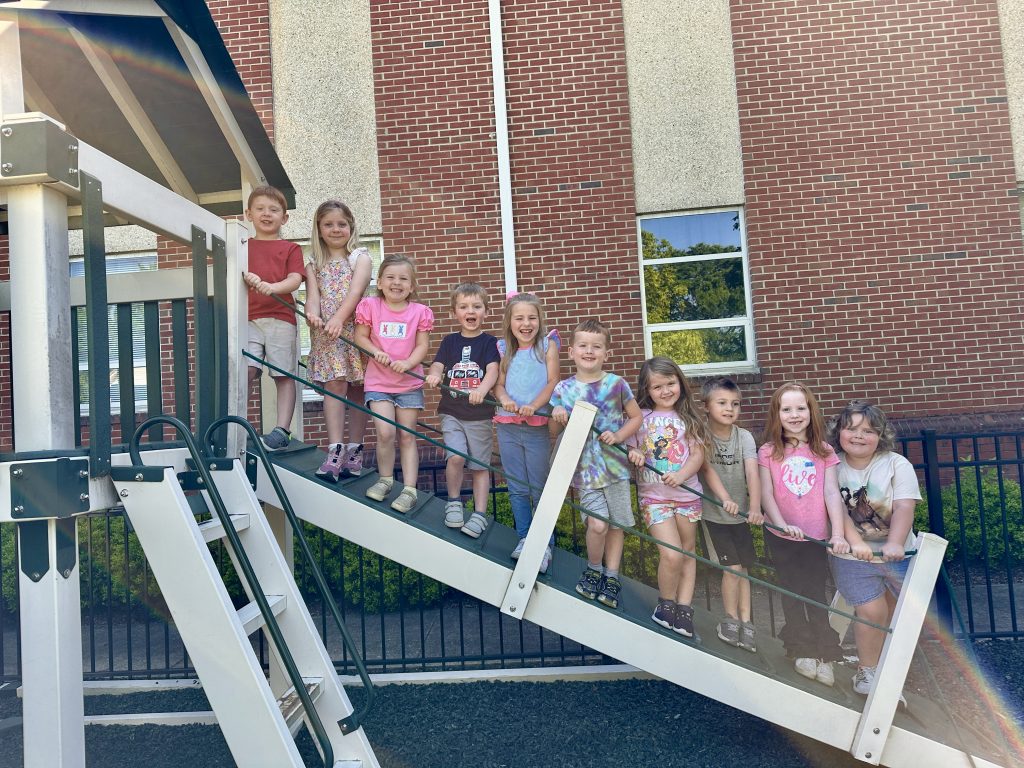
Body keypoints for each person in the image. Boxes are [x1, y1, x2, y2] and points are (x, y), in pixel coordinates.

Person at [627, 357, 738, 636]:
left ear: (680, 383)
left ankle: (684, 608)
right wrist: (637, 453)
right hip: (654, 498)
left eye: (670, 383)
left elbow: (699, 456)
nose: (665, 391)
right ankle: (666, 603)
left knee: (688, 553)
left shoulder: (689, 419)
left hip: (687, 498)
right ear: (647, 389)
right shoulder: (641, 418)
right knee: (672, 554)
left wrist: (682, 474)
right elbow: (631, 448)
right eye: (657, 386)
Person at [758, 382, 851, 686]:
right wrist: (780, 523)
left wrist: (837, 533)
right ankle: (801, 650)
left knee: (814, 592)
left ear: (811, 412)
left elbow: (832, 493)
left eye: (801, 408)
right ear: (777, 414)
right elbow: (767, 493)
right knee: (791, 592)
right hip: (781, 535)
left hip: (814, 536)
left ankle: (825, 654)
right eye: (787, 409)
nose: (794, 415)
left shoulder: (823, 451)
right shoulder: (769, 451)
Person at [828, 401, 919, 701]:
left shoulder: (895, 464)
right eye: (851, 428)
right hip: (853, 556)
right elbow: (837, 509)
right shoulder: (832, 465)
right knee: (871, 610)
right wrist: (856, 543)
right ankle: (867, 671)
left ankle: (886, 673)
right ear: (839, 431)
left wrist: (895, 542)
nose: (858, 436)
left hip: (897, 555)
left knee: (893, 614)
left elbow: (905, 504)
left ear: (880, 436)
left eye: (868, 431)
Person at [551, 319, 642, 611]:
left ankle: (611, 577)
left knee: (616, 525)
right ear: (572, 352)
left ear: (606, 353)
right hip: (585, 470)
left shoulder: (616, 384)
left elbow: (636, 417)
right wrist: (558, 412)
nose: (589, 351)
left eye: (596, 347)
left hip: (614, 468)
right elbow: (554, 432)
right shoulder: (563, 389)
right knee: (598, 524)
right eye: (583, 346)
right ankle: (593, 569)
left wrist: (619, 436)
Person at [354, 256, 433, 513]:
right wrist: (376, 352)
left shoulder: (419, 312)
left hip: (409, 384)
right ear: (380, 281)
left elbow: (422, 345)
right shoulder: (371, 306)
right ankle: (386, 480)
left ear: (412, 286)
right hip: (378, 382)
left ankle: (409, 489)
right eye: (390, 277)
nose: (396, 283)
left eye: (403, 279)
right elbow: (360, 337)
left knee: (407, 436)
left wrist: (409, 362)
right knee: (385, 433)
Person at [303, 200, 372, 481]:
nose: (335, 229)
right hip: (328, 335)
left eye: (341, 224)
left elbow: (355, 293)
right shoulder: (313, 263)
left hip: (356, 329)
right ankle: (334, 450)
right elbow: (313, 297)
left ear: (351, 226)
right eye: (328, 224)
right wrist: (312, 314)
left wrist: (339, 319)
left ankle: (354, 453)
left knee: (357, 389)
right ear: (319, 229)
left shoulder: (360, 257)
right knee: (335, 385)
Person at [425, 283, 500, 538]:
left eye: (477, 307)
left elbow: (492, 370)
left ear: (486, 312)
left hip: (479, 415)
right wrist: (434, 375)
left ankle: (479, 514)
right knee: (455, 456)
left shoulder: (490, 342)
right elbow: (437, 365)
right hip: (452, 411)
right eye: (464, 307)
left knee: (479, 465)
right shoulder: (449, 342)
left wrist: (482, 388)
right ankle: (454, 501)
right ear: (454, 312)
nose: (471, 311)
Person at [492, 292, 560, 571]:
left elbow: (553, 381)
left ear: (539, 319)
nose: (526, 323)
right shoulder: (501, 350)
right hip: (507, 426)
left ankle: (544, 543)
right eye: (519, 317)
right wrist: (505, 399)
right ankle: (524, 537)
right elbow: (498, 384)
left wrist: (534, 405)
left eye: (532, 317)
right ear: (510, 322)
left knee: (539, 487)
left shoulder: (547, 345)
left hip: (536, 427)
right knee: (517, 487)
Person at [701, 376, 763, 652]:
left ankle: (746, 622)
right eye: (722, 403)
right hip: (715, 515)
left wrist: (756, 506)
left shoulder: (745, 437)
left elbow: (752, 470)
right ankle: (730, 619)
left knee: (745, 569)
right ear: (706, 406)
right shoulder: (702, 434)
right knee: (733, 568)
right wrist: (725, 498)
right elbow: (706, 469)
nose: (729, 409)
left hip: (740, 516)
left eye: (735, 404)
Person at [241, 186, 305, 451]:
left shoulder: (290, 248)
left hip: (280, 317)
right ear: (248, 214)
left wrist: (272, 286)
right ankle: (238, 425)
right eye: (260, 209)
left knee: (283, 373)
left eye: (274, 210)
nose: (267, 214)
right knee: (247, 370)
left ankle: (282, 430)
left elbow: (295, 279)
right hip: (249, 319)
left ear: (285, 218)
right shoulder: (242, 246)